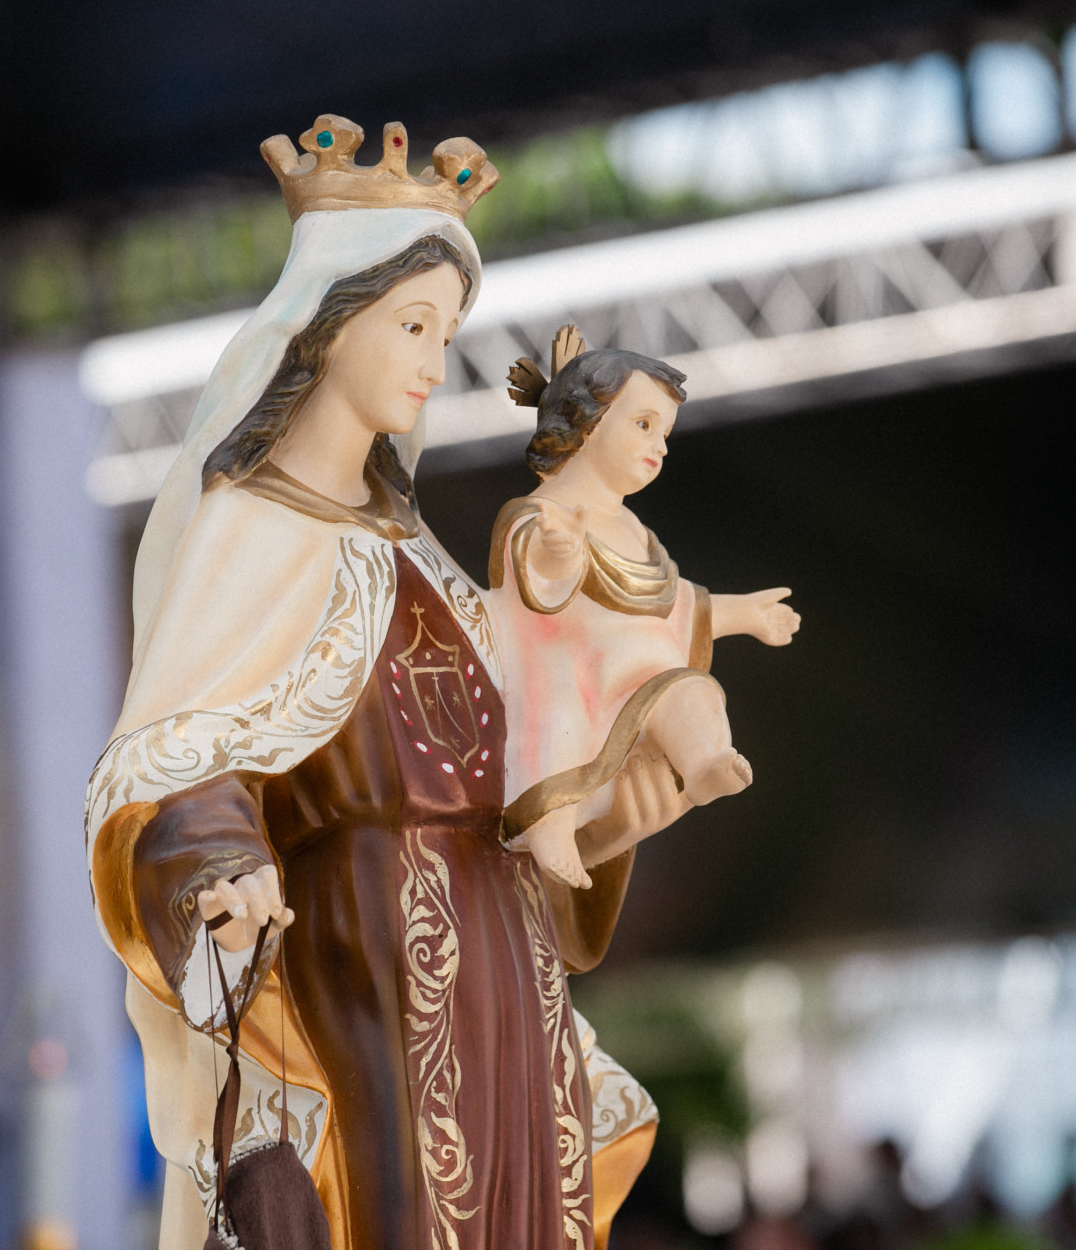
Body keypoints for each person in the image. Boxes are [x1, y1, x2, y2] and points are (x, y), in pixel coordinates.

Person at [86, 116, 670, 1250]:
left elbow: (510, 772)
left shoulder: (420, 550)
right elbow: (181, 752)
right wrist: (220, 863)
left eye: (445, 333)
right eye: (411, 325)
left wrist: (603, 815)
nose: (431, 362)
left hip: (501, 946)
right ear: (327, 322)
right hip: (364, 942)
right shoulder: (253, 527)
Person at [489, 328, 802, 889]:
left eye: (665, 433)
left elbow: (675, 604)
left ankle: (705, 765)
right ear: (584, 422)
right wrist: (561, 556)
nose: (660, 445)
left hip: (644, 681)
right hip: (578, 676)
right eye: (643, 425)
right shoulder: (541, 510)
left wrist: (745, 615)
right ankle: (548, 822)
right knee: (560, 722)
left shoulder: (633, 528)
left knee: (696, 690)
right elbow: (531, 585)